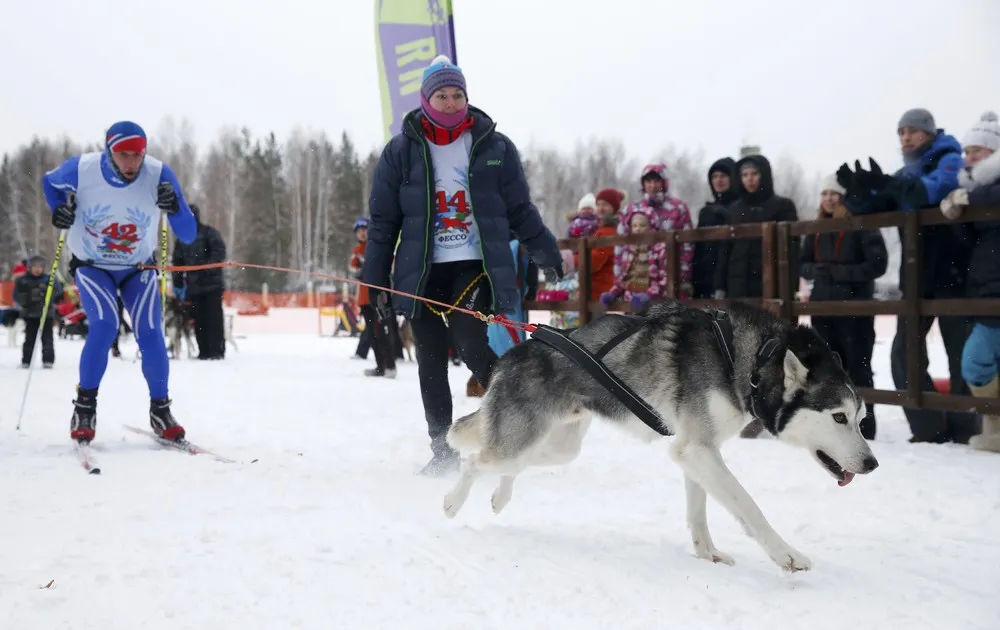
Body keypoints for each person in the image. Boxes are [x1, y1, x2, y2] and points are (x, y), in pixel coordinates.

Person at [363, 55, 563, 475]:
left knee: (472, 342)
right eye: (442, 95)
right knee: (430, 360)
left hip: (475, 266)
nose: (451, 102)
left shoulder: (494, 146)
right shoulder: (400, 152)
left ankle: (520, 423)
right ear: (426, 100)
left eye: (458, 94)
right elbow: (383, 223)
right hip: (421, 271)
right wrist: (374, 280)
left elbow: (519, 209)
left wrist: (545, 251)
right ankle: (443, 451)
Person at [41, 120, 197, 444]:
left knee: (151, 331)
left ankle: (161, 410)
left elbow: (188, 234)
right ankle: (84, 408)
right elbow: (49, 182)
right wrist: (58, 209)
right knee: (105, 326)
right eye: (123, 155)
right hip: (92, 265)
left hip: (137, 267)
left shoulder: (158, 174)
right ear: (109, 151)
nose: (131, 163)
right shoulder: (82, 169)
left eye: (138, 155)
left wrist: (175, 207)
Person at [171, 204, 228, 360]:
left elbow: (219, 254)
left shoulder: (210, 233)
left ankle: (216, 350)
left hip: (212, 286)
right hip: (193, 288)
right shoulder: (182, 240)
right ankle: (203, 350)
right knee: (198, 320)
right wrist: (178, 284)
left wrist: (204, 270)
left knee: (214, 318)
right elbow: (177, 263)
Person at [13, 254, 62, 368]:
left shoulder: (49, 279)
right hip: (30, 315)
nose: (37, 269)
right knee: (29, 339)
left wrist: (47, 293)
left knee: (47, 339)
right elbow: (17, 296)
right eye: (34, 266)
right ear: (30, 267)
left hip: (46, 314)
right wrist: (28, 298)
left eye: (40, 266)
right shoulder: (23, 280)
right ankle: (26, 360)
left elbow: (58, 293)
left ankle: (48, 360)